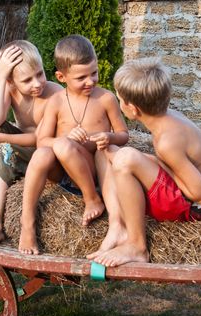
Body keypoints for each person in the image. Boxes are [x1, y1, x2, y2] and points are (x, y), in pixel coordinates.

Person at [87, 57, 201, 267]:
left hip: (192, 206)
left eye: (120, 100)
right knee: (105, 151)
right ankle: (117, 225)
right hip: (185, 189)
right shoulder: (167, 118)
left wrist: (151, 162)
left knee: (125, 158)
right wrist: (150, 162)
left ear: (133, 109)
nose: (119, 104)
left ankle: (137, 246)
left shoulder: (167, 142)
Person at [19, 34, 129, 255]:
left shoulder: (106, 99)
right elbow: (42, 141)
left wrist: (107, 137)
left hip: (93, 171)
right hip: (63, 173)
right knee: (47, 152)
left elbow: (124, 135)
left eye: (94, 73)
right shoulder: (56, 102)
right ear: (61, 77)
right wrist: (67, 138)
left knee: (63, 146)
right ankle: (27, 223)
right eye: (81, 78)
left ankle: (92, 199)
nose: (90, 81)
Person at [0, 40, 62, 246]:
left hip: (46, 155)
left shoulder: (54, 93)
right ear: (11, 82)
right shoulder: (11, 89)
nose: (37, 83)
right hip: (23, 148)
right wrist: (1, 75)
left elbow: (40, 139)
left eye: (39, 74)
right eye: (27, 80)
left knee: (1, 145)